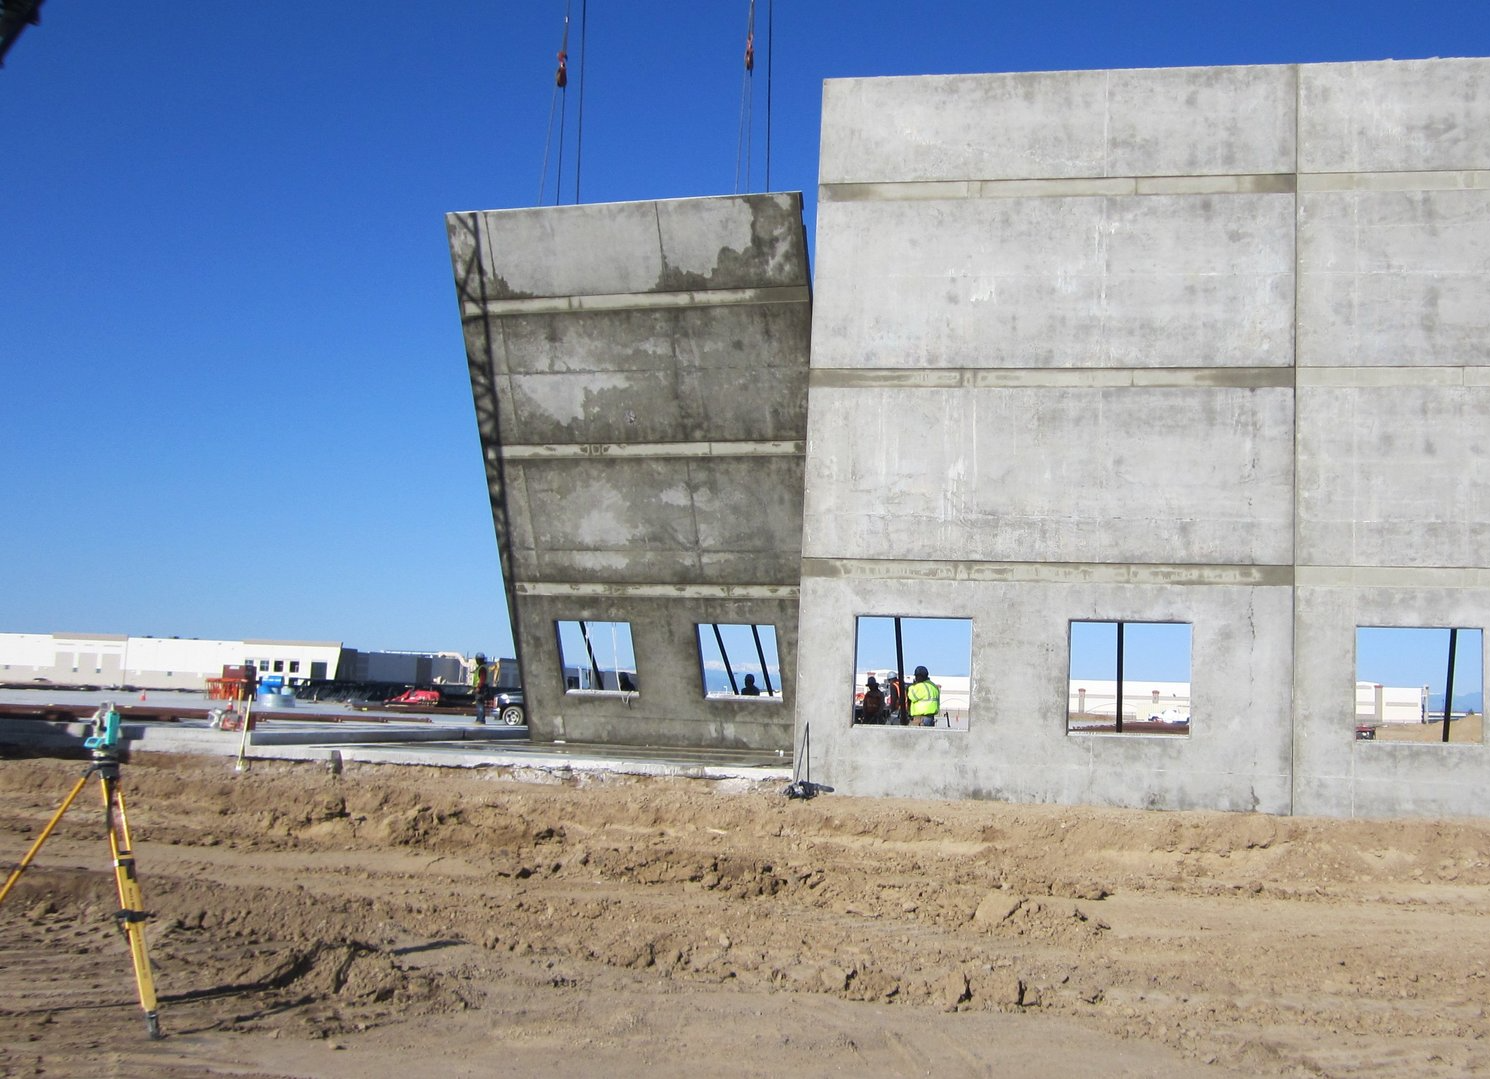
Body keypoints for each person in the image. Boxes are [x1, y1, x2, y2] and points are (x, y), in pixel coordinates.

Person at [470, 653, 489, 725]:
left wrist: (478, 687)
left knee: (480, 704)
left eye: (477, 659)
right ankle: (479, 719)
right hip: (482, 687)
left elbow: (482, 679)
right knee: (479, 704)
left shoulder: (482, 668)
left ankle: (481, 720)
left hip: (482, 688)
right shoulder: (481, 667)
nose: (477, 661)